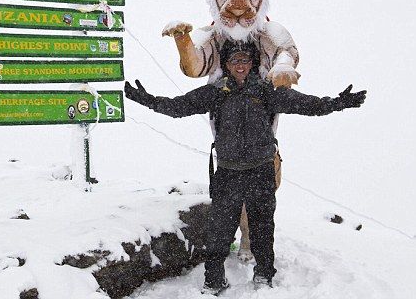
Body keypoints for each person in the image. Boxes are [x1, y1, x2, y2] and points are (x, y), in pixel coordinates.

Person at [124, 41, 366, 295]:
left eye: (245, 60)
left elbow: (306, 105)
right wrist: (146, 99)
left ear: (252, 64)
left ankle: (263, 275)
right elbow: (177, 107)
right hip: (228, 173)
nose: (240, 65)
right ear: (226, 65)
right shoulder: (216, 92)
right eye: (234, 61)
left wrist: (338, 103)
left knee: (262, 228)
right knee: (219, 232)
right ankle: (214, 280)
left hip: (261, 172)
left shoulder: (266, 91)